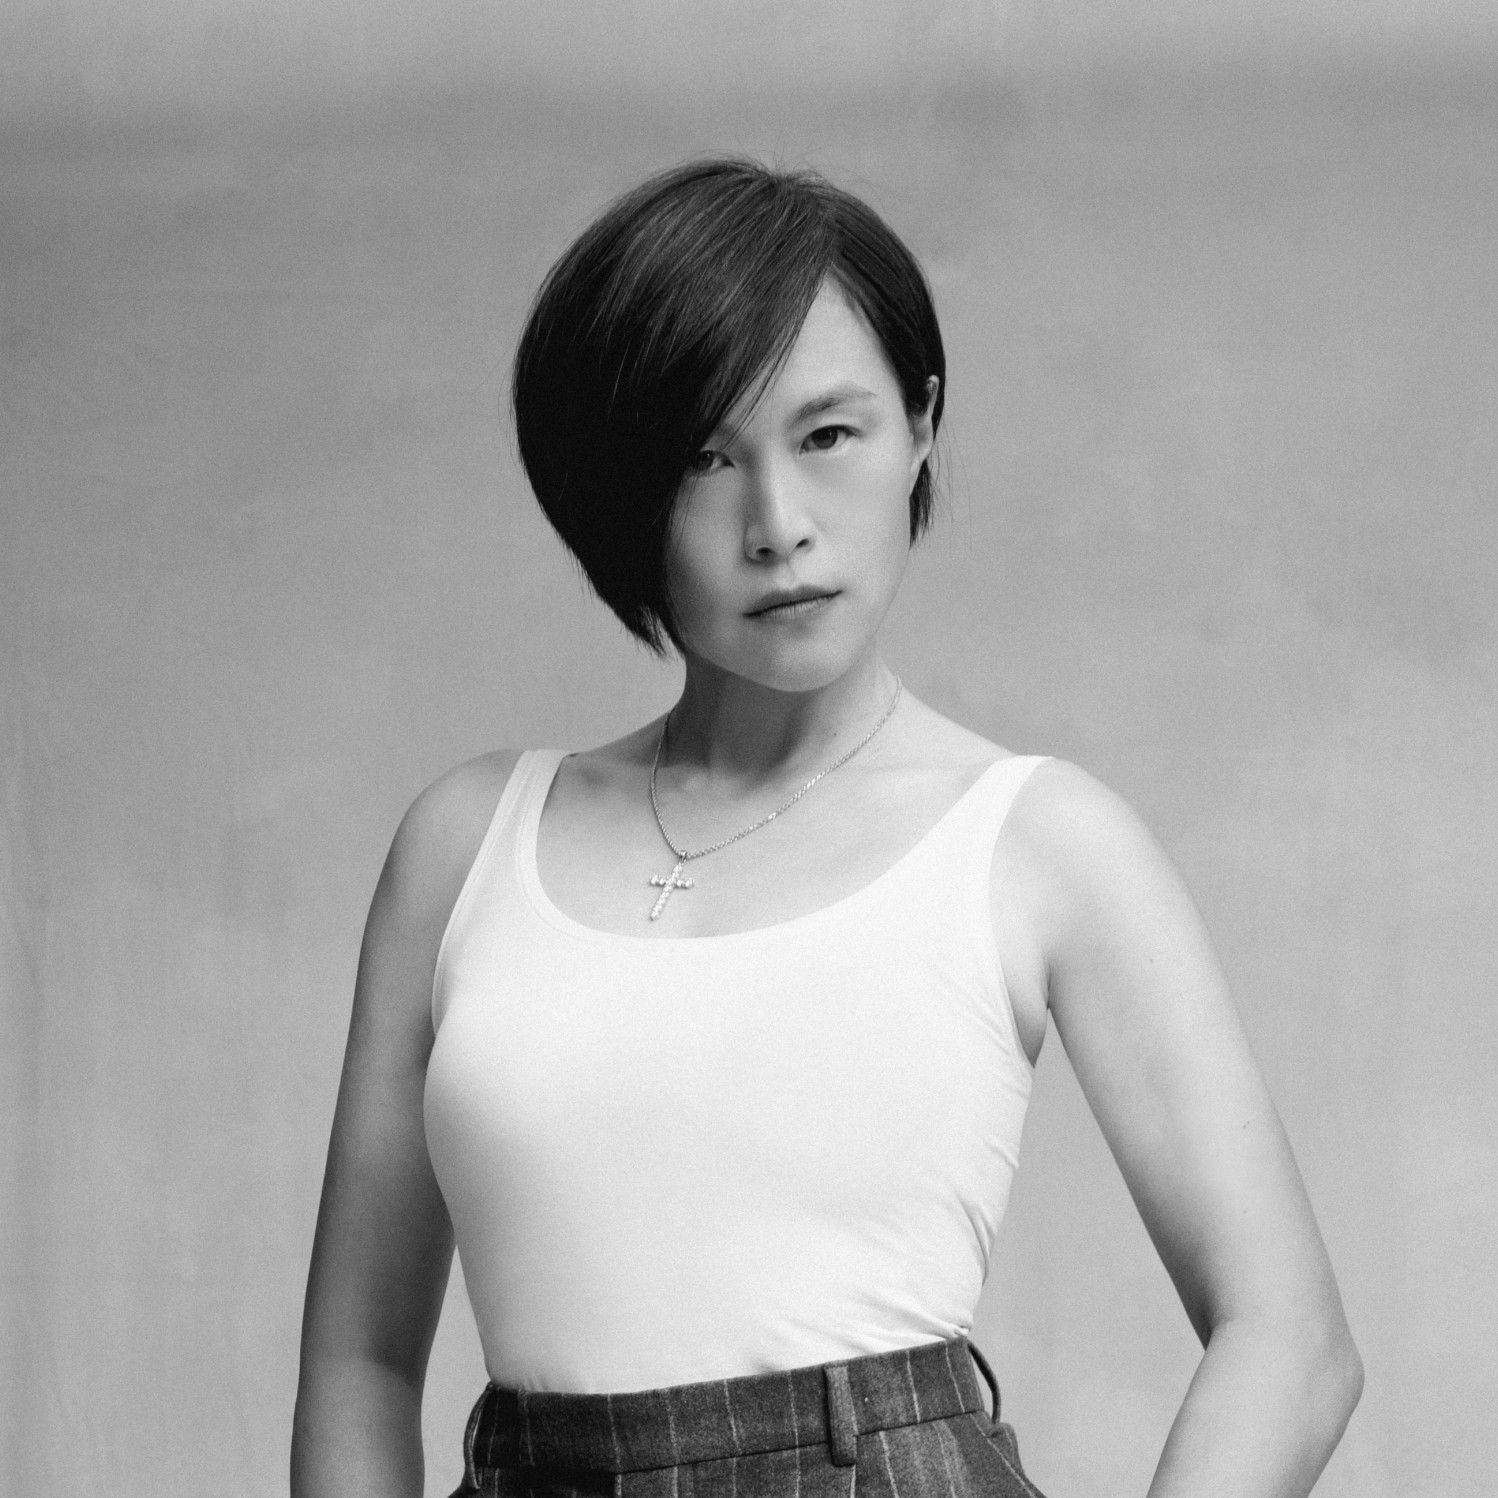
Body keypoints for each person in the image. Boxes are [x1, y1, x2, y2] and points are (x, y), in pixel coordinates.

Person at [291, 158, 1362, 1498]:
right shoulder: (466, 846)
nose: (777, 527)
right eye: (703, 458)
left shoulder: (1037, 845)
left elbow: (1292, 1342)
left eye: (827, 435)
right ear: (617, 487)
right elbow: (360, 1364)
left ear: (920, 426)